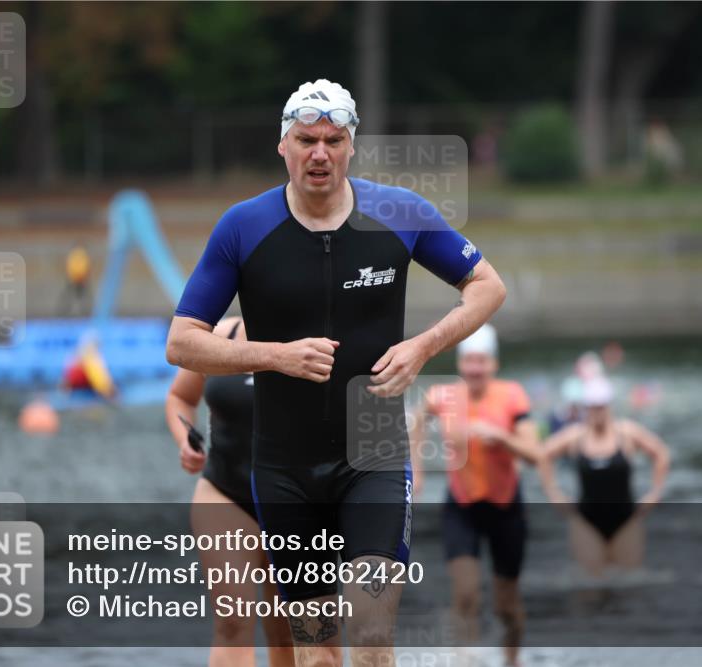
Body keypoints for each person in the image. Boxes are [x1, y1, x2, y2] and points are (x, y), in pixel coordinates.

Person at [166, 78, 506, 667]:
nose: (318, 153)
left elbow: (487, 286)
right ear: (283, 146)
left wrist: (424, 345)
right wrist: (275, 355)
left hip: (371, 456)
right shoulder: (244, 227)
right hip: (284, 468)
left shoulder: (397, 212)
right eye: (306, 140)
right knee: (316, 652)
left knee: (371, 639)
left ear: (352, 146)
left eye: (332, 140)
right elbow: (182, 342)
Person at [165, 316, 294, 667]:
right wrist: (185, 440)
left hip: (298, 501)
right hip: (225, 494)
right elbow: (179, 397)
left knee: (288, 634)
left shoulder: (319, 333)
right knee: (233, 623)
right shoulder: (221, 335)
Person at [409, 323, 538, 667]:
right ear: (461, 364)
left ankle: (513, 661)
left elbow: (535, 454)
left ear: (493, 364)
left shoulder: (512, 396)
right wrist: (416, 471)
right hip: (462, 507)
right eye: (469, 362)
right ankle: (465, 660)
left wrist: (501, 436)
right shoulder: (443, 395)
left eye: (482, 361)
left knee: (505, 605)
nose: (475, 369)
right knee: (465, 593)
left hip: (506, 506)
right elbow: (416, 422)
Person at [537, 377, 670, 576]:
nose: (597, 412)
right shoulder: (575, 436)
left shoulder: (627, 433)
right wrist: (553, 492)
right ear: (586, 408)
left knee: (628, 584)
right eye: (592, 407)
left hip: (626, 519)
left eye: (601, 406)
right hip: (586, 521)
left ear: (609, 406)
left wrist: (655, 493)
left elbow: (661, 453)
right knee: (590, 585)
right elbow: (543, 455)